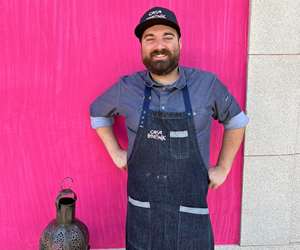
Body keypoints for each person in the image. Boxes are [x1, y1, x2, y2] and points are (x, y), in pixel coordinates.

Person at [90, 6, 249, 250]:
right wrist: (115, 152)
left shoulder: (206, 84)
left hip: (191, 217)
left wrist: (224, 168)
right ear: (142, 46)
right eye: (150, 38)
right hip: (143, 217)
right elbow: (97, 112)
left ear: (179, 43)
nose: (159, 45)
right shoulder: (127, 87)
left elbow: (236, 121)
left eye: (167, 36)